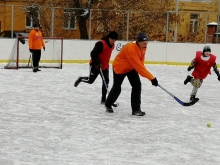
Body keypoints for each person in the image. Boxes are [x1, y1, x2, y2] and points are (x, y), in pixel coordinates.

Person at [105, 32, 158, 116]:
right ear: (139, 42)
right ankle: (108, 104)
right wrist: (151, 78)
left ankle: (136, 109)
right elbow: (139, 66)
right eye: (144, 43)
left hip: (131, 67)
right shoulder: (131, 49)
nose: (145, 45)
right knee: (117, 88)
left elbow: (141, 63)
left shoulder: (143, 48)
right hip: (120, 67)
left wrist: (150, 77)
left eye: (147, 43)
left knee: (137, 85)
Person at [74, 31, 118, 104]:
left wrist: (103, 64)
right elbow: (93, 53)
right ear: (109, 38)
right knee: (90, 81)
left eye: (115, 40)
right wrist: (97, 63)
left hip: (104, 66)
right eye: (112, 39)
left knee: (106, 81)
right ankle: (81, 79)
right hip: (95, 65)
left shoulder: (113, 45)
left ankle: (103, 99)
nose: (113, 41)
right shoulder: (101, 44)